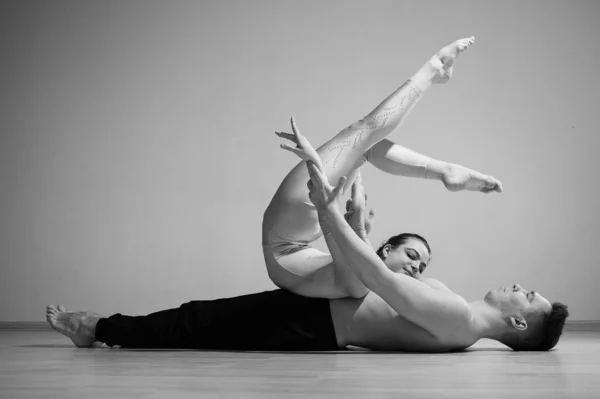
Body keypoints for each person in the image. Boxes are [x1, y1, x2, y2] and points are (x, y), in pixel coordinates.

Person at [45, 138, 569, 352]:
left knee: (196, 322)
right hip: (320, 315)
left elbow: (378, 279)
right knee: (198, 319)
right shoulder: (463, 326)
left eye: (528, 296)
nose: (521, 287)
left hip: (314, 323)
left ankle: (94, 328)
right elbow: (375, 278)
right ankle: (100, 326)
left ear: (519, 322)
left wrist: (328, 210)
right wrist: (352, 219)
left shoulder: (458, 317)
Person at [263, 36, 503, 299]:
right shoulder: (370, 272)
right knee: (367, 146)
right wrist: (355, 222)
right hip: (302, 234)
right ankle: (445, 170)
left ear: (387, 249)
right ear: (386, 250)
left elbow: (329, 220)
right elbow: (339, 237)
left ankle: (435, 68)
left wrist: (315, 166)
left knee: (362, 132)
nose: (416, 268)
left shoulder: (366, 280)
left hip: (285, 239)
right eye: (415, 259)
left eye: (419, 265)